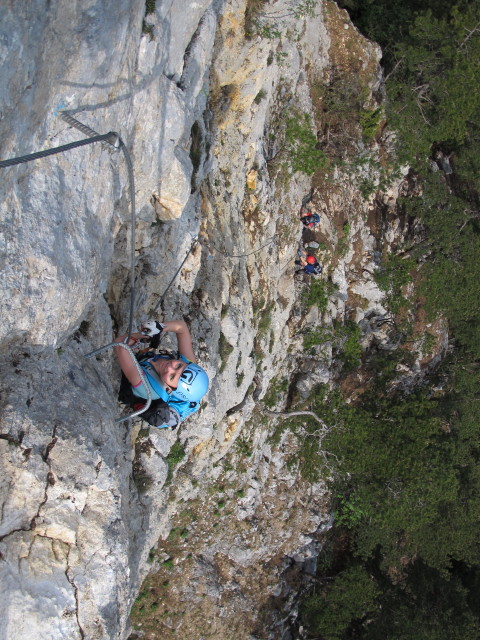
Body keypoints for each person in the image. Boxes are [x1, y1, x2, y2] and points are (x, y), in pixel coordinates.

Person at [114, 319, 209, 429]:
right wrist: (159, 328)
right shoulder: (189, 368)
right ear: (186, 363)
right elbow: (182, 327)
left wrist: (142, 335)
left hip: (130, 381)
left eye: (172, 377)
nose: (170, 368)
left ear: (169, 388)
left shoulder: (148, 388)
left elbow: (120, 345)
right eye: (178, 366)